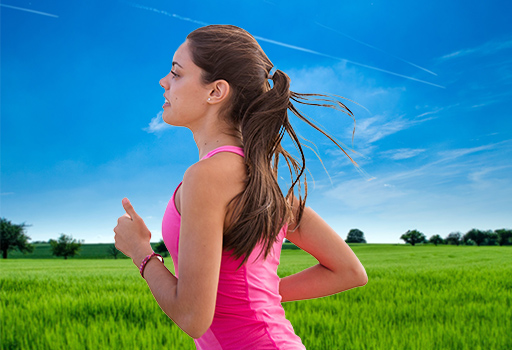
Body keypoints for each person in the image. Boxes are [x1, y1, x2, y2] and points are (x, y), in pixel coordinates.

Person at [113, 24, 368, 349]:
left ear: (215, 92)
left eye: (176, 73)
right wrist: (255, 297)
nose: (164, 81)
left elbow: (192, 318)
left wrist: (141, 253)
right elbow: (348, 271)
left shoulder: (206, 176)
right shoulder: (261, 178)